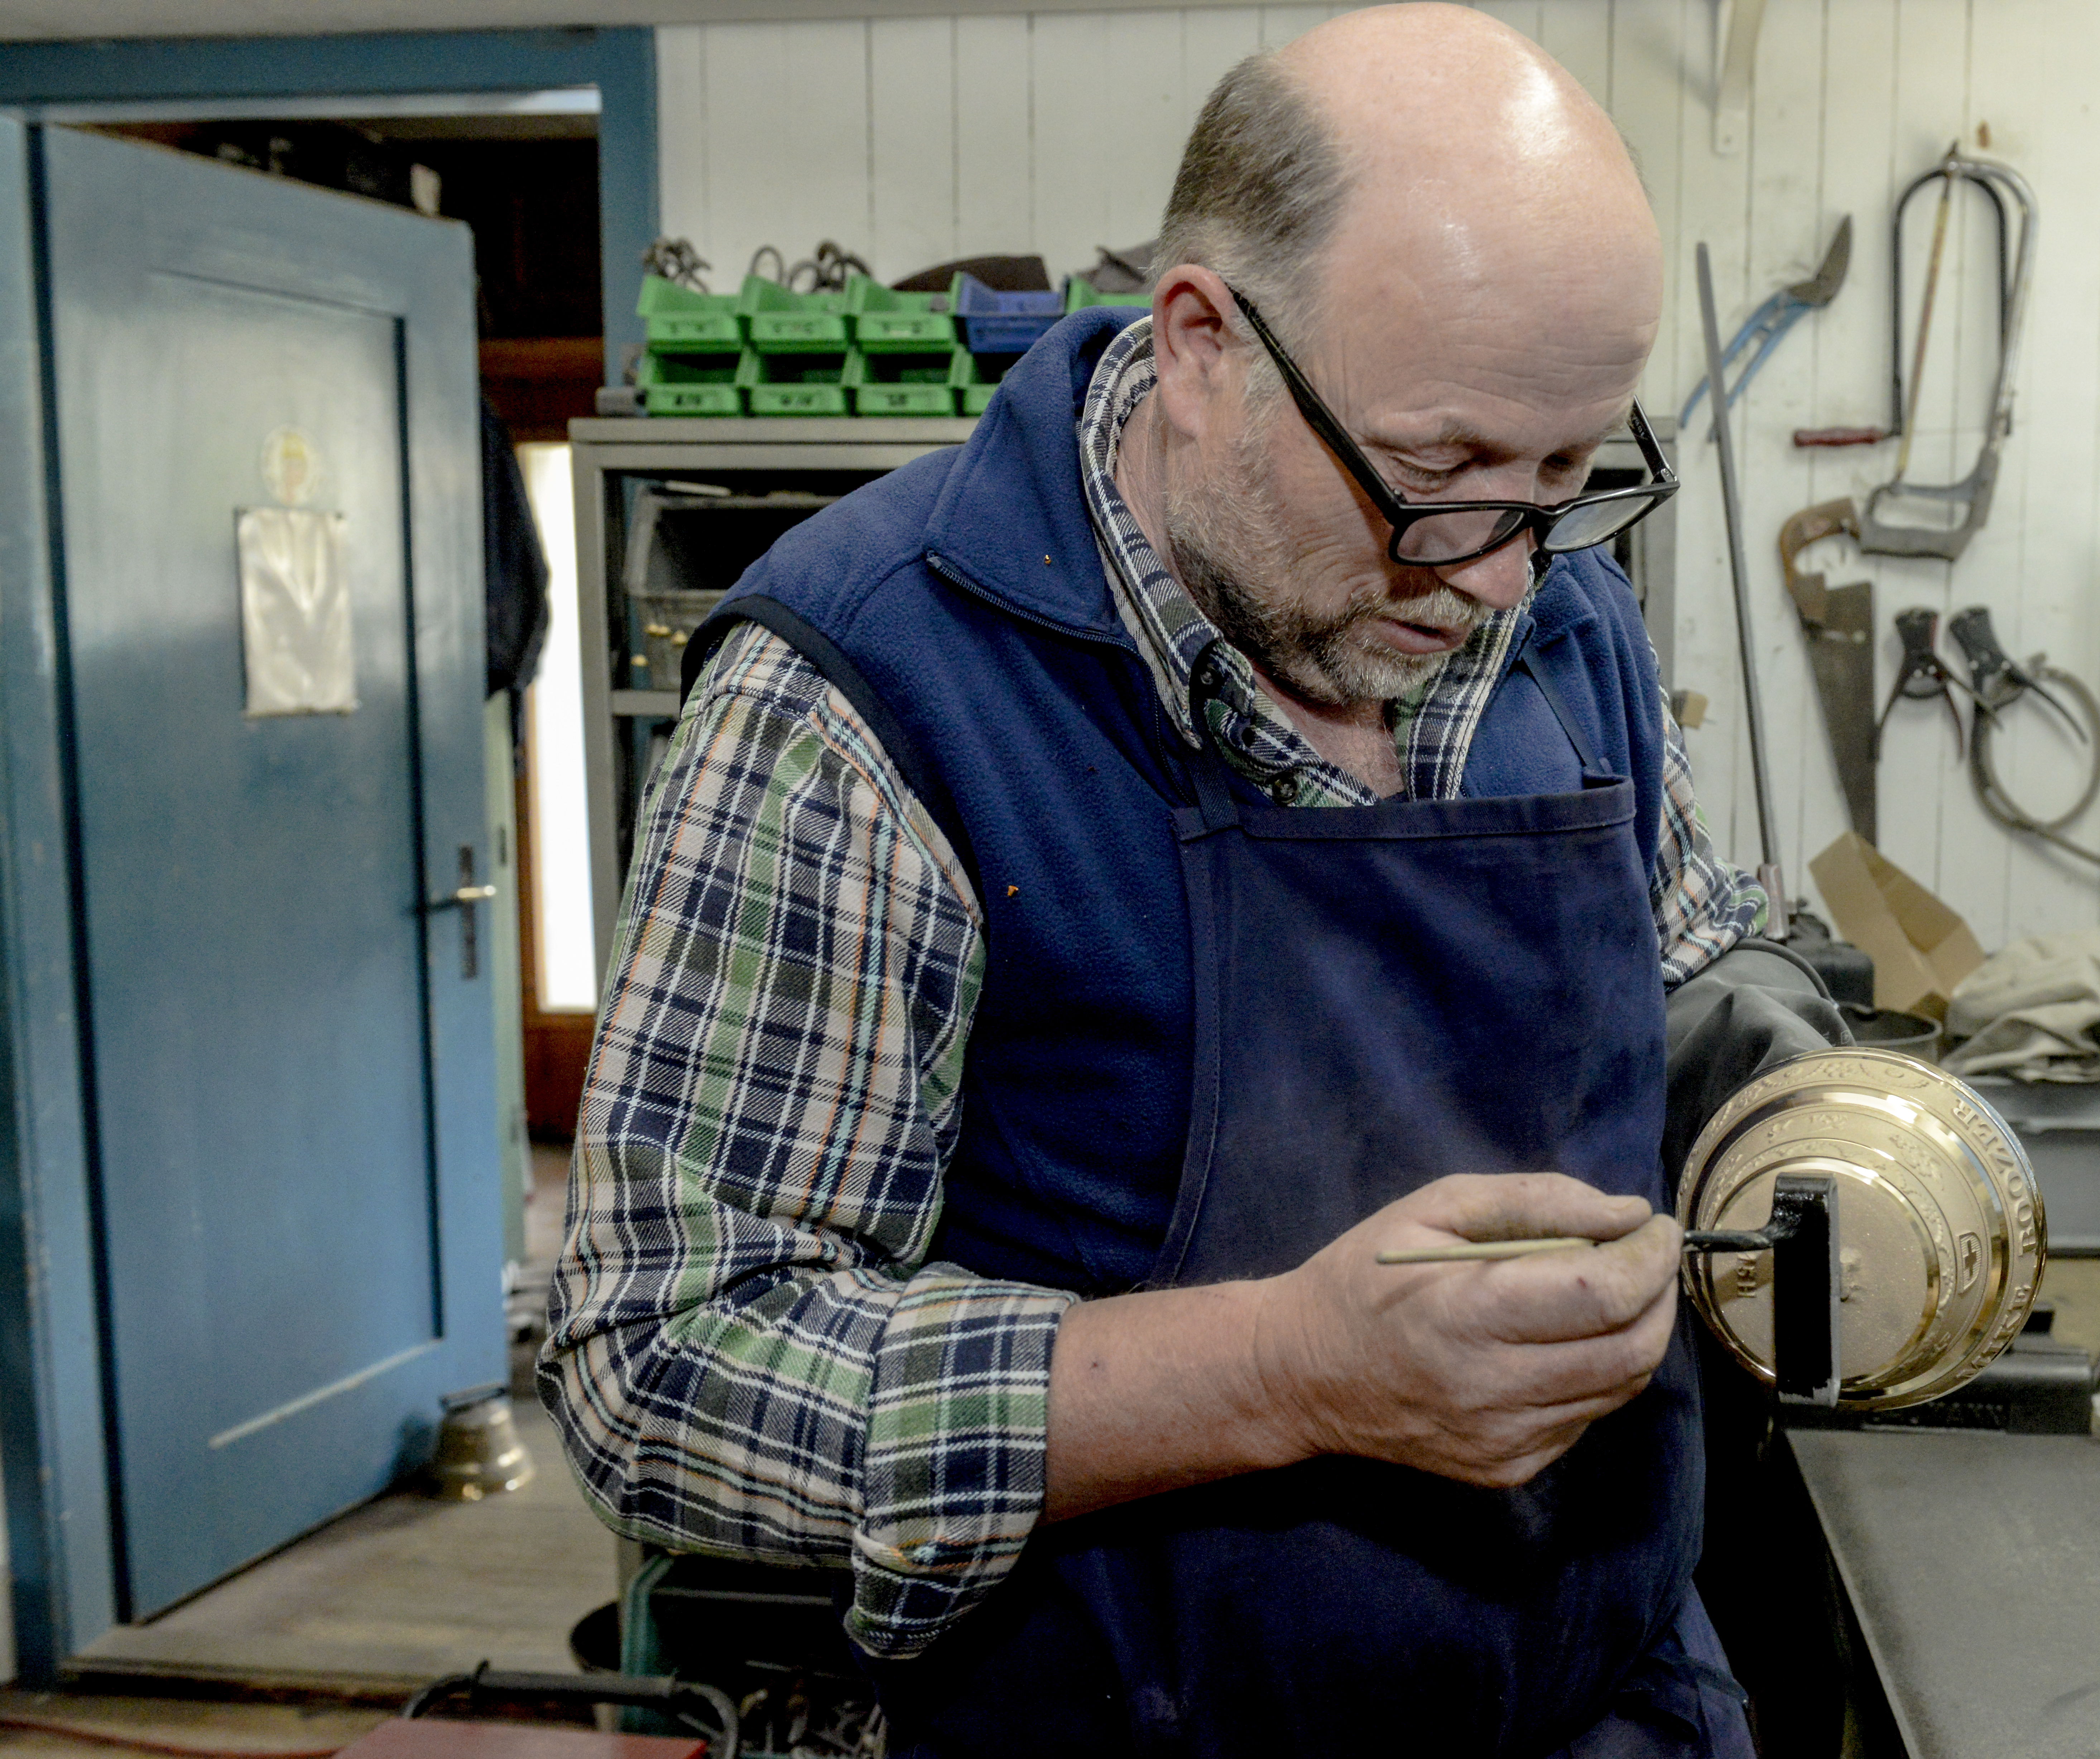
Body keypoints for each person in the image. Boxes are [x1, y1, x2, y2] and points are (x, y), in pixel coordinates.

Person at [543, 8, 1840, 1754]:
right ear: (1205, 345)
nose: (1498, 576)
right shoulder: (865, 696)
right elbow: (663, 1368)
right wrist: (1284, 1369)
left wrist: (1786, 1081)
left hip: (1604, 1699)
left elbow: (1677, 969)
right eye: (1441, 475)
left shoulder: (1558, 617)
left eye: (1568, 477)